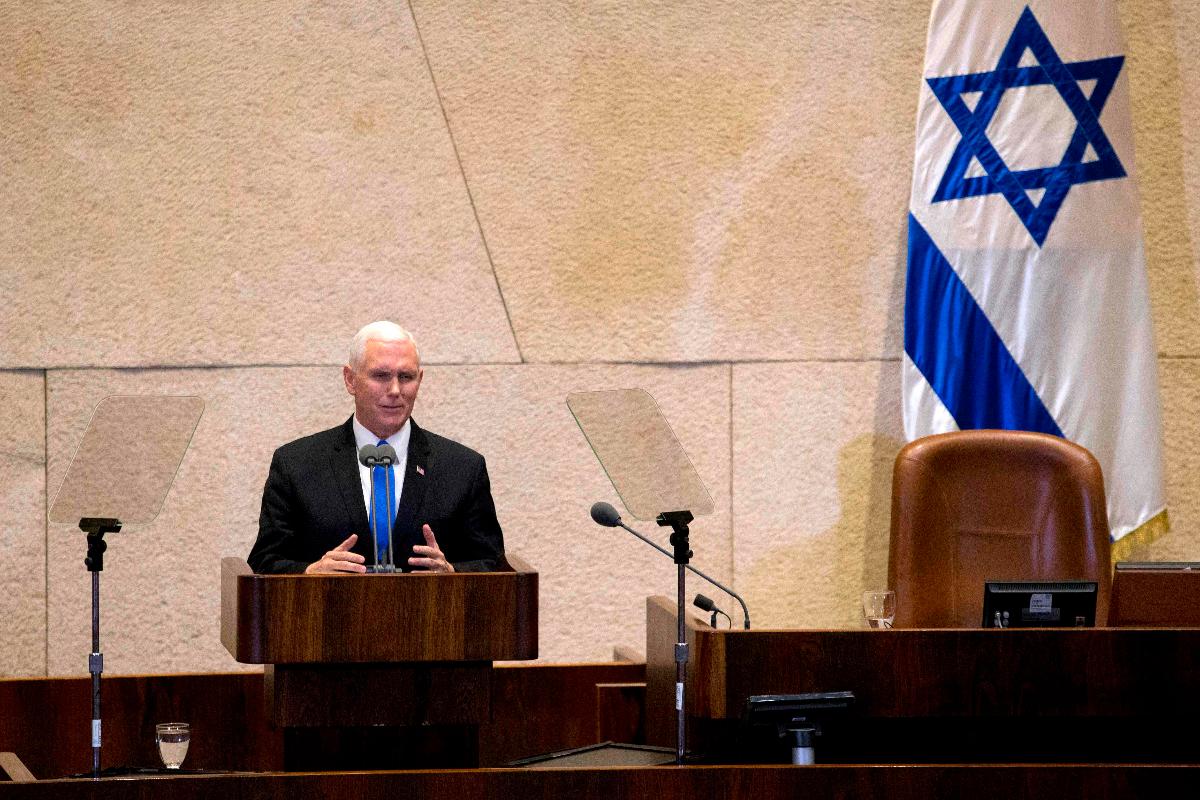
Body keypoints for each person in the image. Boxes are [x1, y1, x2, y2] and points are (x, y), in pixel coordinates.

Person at [248, 321, 503, 574]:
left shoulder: (462, 468)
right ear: (350, 380)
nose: (394, 390)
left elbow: (493, 564)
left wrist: (452, 574)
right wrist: (310, 573)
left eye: (406, 377)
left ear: (420, 380)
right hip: (329, 613)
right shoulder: (296, 464)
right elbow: (264, 561)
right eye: (381, 376)